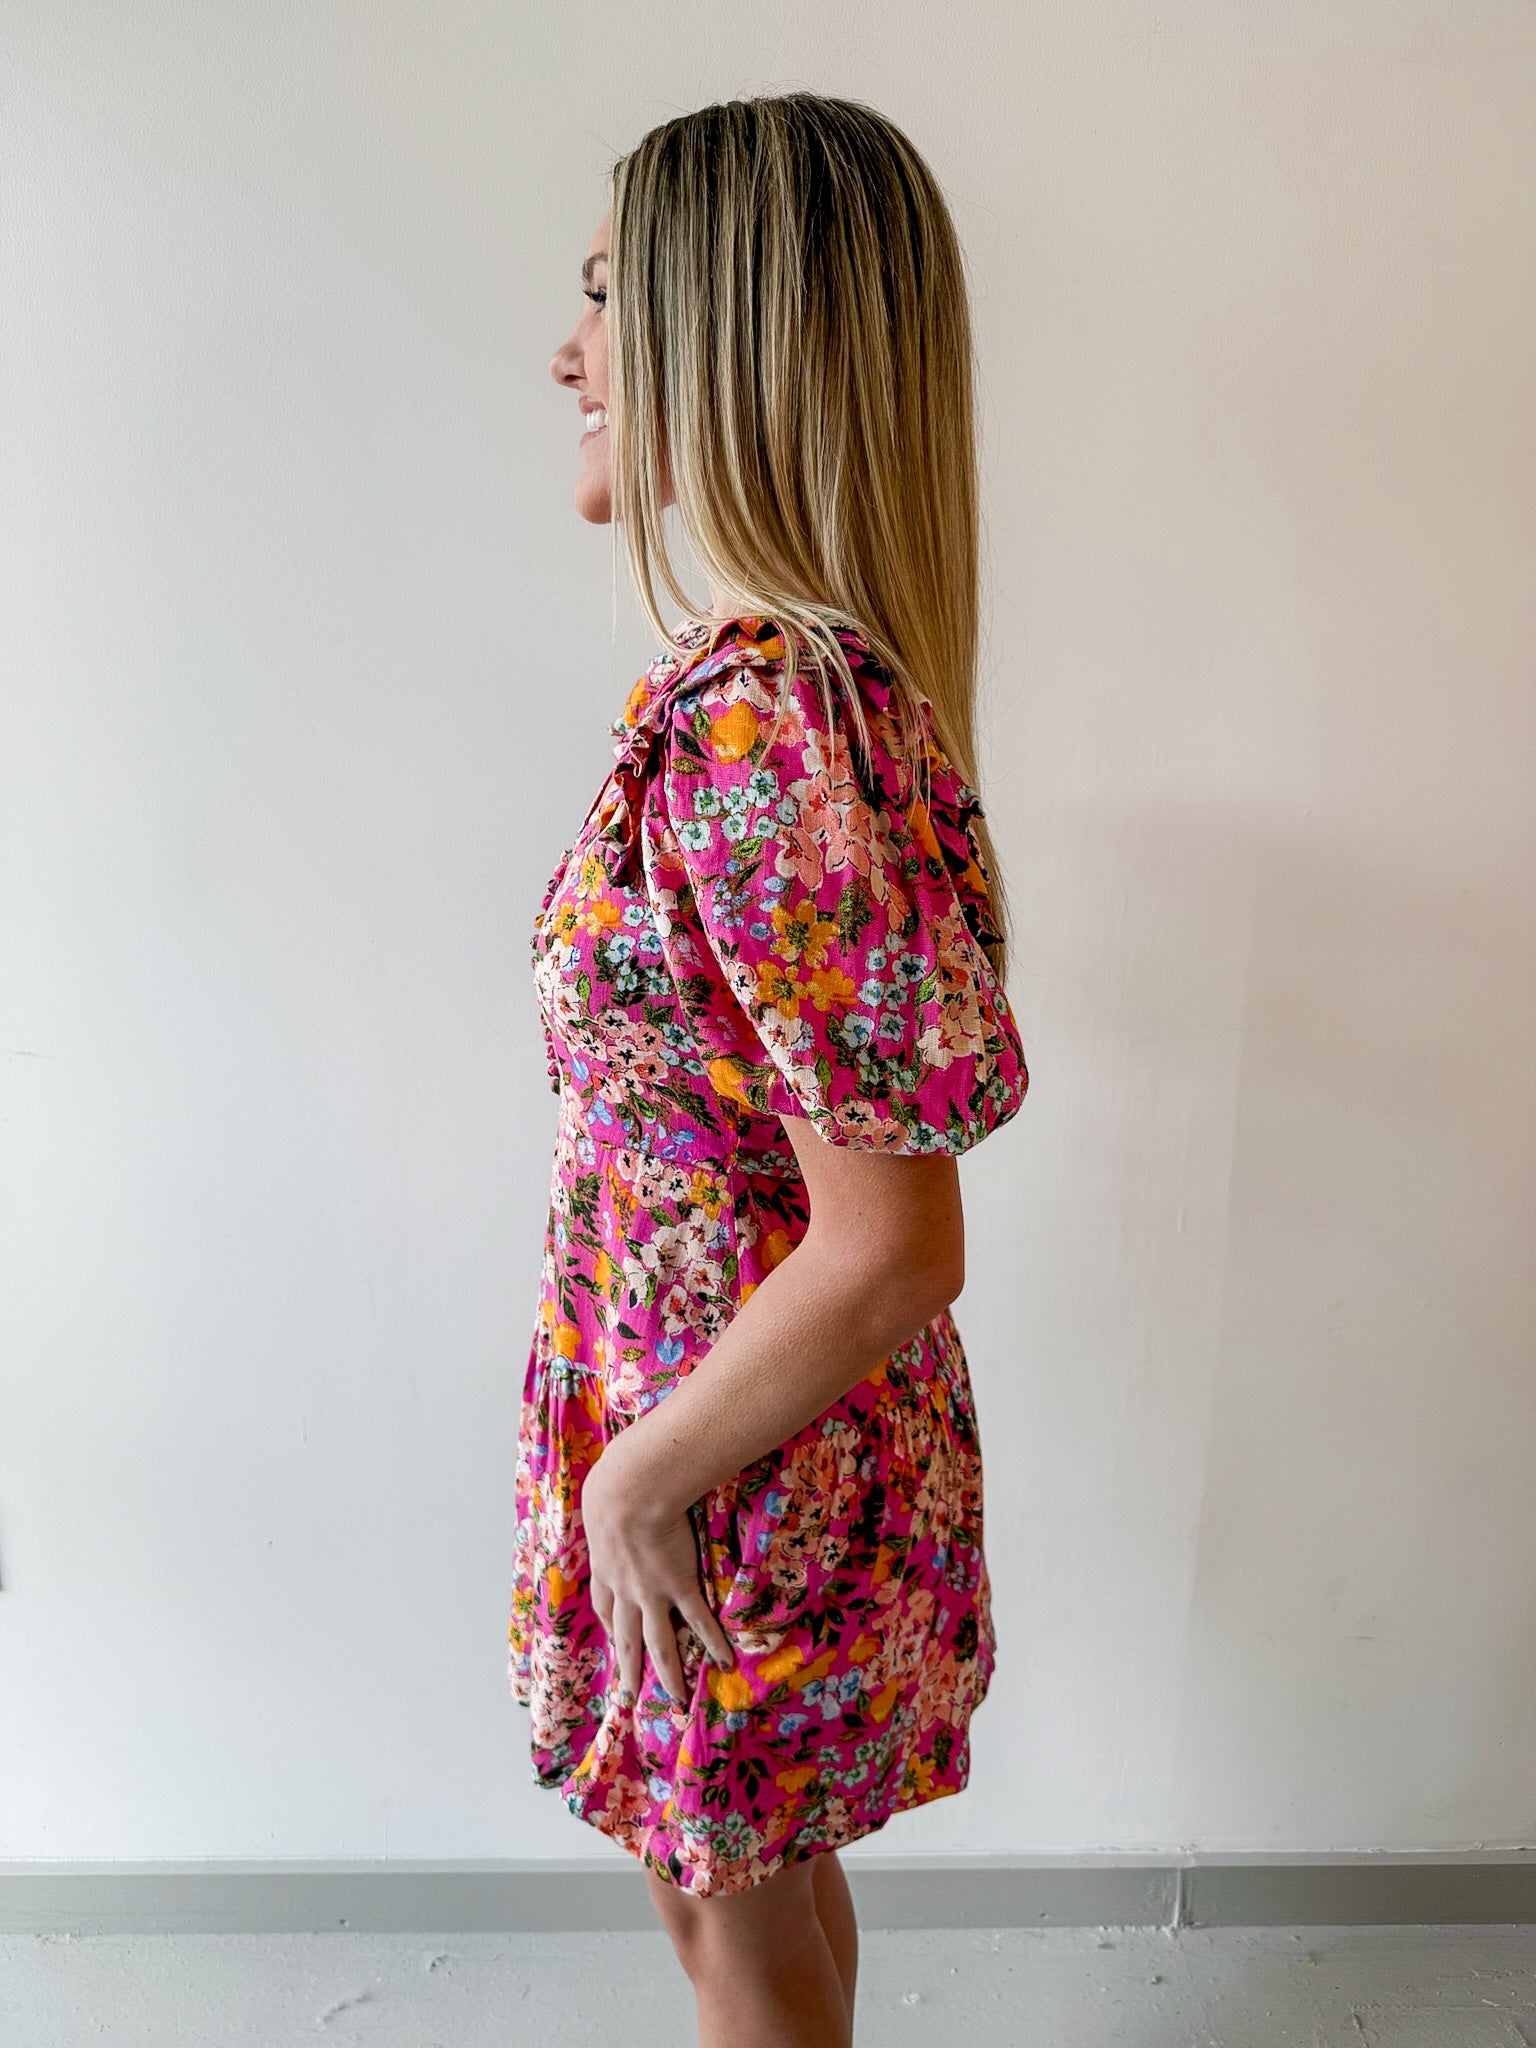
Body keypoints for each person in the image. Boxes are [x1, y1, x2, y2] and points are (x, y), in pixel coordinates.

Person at [514, 90, 1030, 2048]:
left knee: (732, 1929)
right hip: (740, 1430)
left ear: (722, 329)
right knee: (754, 1902)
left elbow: (894, 1238)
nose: (567, 350)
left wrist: (640, 1478)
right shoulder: (798, 694)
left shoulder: (761, 725)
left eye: (602, 294)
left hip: (732, 1453)